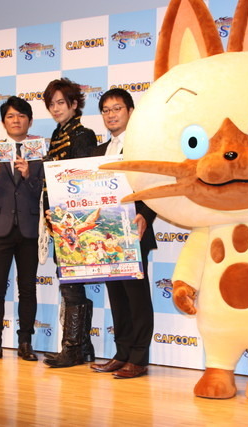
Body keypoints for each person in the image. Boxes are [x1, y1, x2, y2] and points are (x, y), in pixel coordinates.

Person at [90, 88, 156, 379]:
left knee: (136, 298)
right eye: (106, 110)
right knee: (117, 298)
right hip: (106, 235)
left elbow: (154, 186)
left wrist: (146, 216)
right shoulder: (98, 151)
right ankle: (122, 353)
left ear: (130, 111)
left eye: (117, 108)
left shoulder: (143, 148)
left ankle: (139, 358)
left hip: (134, 231)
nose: (111, 115)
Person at [0, 96, 44, 363]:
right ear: (4, 122)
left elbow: (43, 193)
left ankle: (25, 342)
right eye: (11, 116)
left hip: (28, 229)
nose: (16, 120)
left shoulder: (38, 150)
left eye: (21, 116)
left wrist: (28, 176)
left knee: (27, 289)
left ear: (30, 121)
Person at [41, 78, 98, 368]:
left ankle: (74, 348)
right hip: (60, 221)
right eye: (51, 104)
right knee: (69, 284)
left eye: (61, 103)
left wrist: (63, 215)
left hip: (72, 221)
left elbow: (80, 180)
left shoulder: (82, 135)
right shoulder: (57, 135)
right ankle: (81, 346)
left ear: (74, 104)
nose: (55, 109)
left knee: (71, 284)